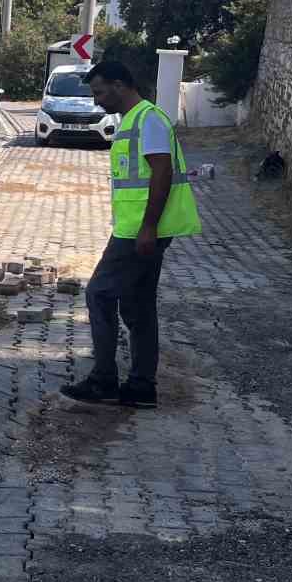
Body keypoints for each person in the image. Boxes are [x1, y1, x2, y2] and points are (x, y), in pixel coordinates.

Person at [61, 60, 202, 409]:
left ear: (120, 84)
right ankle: (141, 387)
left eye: (99, 92)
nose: (96, 101)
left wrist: (149, 227)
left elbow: (162, 172)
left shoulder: (147, 119)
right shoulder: (134, 121)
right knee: (138, 308)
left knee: (99, 295)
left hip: (139, 232)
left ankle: (104, 381)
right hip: (137, 229)